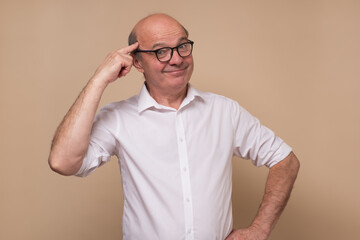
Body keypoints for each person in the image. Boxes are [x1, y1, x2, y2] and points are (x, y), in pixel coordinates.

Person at [48, 13, 300, 240]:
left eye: (182, 46)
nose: (176, 59)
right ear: (137, 63)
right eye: (161, 51)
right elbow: (62, 162)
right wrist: (99, 78)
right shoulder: (118, 118)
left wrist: (259, 229)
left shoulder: (224, 111)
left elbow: (285, 160)